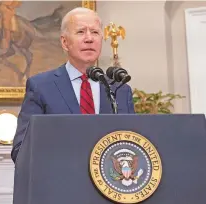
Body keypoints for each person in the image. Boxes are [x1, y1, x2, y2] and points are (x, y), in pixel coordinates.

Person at [10, 7, 135, 163]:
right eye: (81, 32)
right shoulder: (41, 87)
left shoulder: (120, 89)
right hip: (61, 181)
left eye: (95, 32)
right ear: (64, 42)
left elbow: (132, 146)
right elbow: (21, 149)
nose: (89, 38)